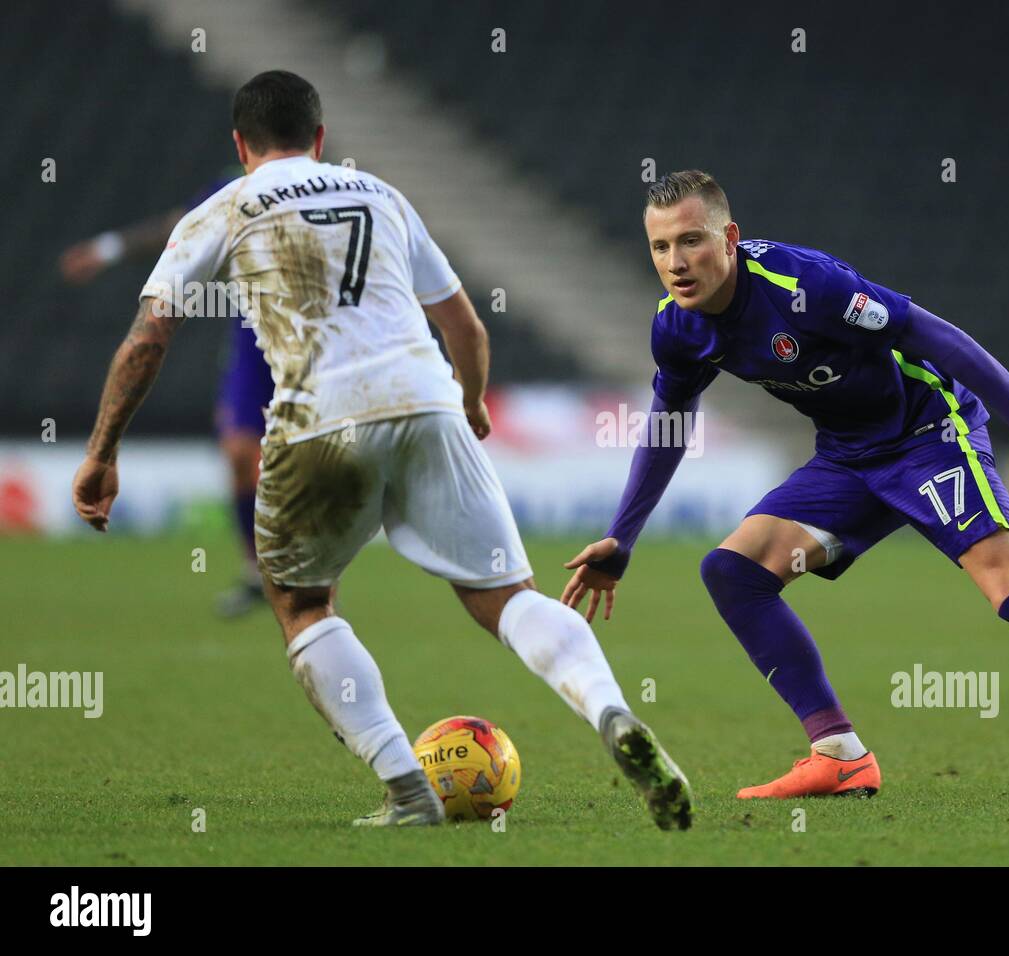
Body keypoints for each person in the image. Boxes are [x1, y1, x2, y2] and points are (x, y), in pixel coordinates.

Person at [71, 71, 692, 829]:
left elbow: (148, 336)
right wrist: (467, 402)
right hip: (428, 400)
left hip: (318, 419)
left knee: (302, 601)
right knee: (506, 598)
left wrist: (103, 452)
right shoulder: (383, 196)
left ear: (241, 146)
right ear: (321, 137)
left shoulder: (223, 207)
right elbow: (466, 326)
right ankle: (613, 713)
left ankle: (407, 791)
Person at [562, 170, 1009, 804]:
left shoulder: (805, 285)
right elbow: (669, 422)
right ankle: (839, 753)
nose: (675, 261)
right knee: (733, 570)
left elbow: (938, 337)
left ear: (728, 239)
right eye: (659, 246)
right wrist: (623, 536)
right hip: (848, 456)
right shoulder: (677, 327)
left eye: (690, 240)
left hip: (929, 432)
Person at [60, 167, 274, 618]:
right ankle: (256, 573)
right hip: (252, 341)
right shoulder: (232, 192)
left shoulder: (328, 189)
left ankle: (312, 577)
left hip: (320, 340)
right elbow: (179, 228)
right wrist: (108, 249)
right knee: (239, 453)